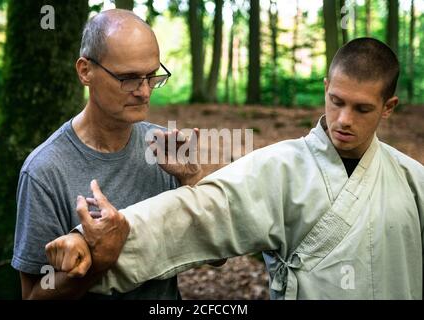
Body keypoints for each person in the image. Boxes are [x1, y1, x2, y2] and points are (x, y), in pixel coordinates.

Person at [46, 38, 424, 299]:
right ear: (326, 87)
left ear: (388, 107)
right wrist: (95, 239)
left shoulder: (414, 181)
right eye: (336, 101)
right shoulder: (280, 168)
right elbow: (201, 210)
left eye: (362, 109)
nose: (343, 119)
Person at [11, 9, 205, 300]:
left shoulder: (164, 149)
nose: (144, 92)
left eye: (151, 76)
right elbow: (34, 295)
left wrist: (192, 181)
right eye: (128, 78)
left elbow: (214, 254)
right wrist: (100, 262)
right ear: (85, 71)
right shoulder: (44, 171)